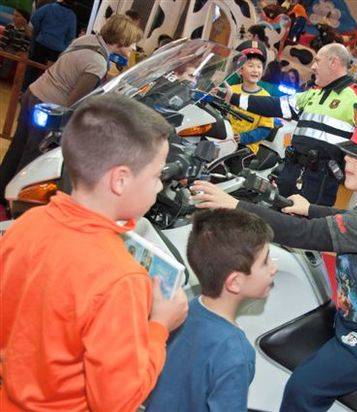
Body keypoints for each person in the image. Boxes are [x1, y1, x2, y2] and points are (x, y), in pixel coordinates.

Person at [189, 103, 357, 411]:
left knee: (304, 387)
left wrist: (235, 207)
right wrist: (310, 209)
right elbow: (346, 218)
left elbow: (305, 235)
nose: (347, 158)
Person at [0, 94, 189, 410]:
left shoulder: (28, 223)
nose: (159, 186)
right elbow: (116, 400)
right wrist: (159, 326)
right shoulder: (122, 279)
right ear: (120, 180)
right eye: (157, 175)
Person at [0, 14, 143, 209]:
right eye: (132, 43)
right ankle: (14, 204)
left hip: (34, 93)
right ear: (121, 41)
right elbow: (75, 103)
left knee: (17, 147)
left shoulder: (87, 40)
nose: (133, 48)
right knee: (31, 158)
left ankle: (2, 192)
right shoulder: (98, 63)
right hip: (48, 107)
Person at [146, 208, 277, 411]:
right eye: (266, 261)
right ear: (234, 282)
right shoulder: (235, 352)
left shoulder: (180, 312)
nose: (273, 268)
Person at [222, 43, 357, 206]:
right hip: (291, 174)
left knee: (304, 228)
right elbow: (273, 105)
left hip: (319, 182)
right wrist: (234, 98)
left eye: (317, 61)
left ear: (333, 62)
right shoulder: (313, 93)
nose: (313, 67)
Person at [229, 40, 275, 154]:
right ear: (240, 70)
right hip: (226, 138)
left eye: (259, 66)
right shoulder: (232, 90)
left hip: (246, 147)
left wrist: (243, 138)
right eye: (250, 66)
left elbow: (265, 129)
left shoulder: (266, 97)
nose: (255, 70)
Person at [22, 0, 76, 89]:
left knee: (32, 69)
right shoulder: (72, 16)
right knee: (49, 73)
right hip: (56, 49)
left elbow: (35, 18)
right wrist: (63, 45)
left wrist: (39, 30)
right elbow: (71, 36)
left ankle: (25, 90)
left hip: (41, 42)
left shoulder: (49, 7)